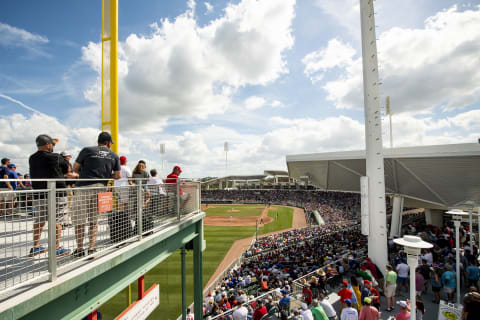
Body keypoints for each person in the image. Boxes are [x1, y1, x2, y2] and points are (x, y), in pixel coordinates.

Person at [72, 132, 121, 257]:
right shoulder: (114, 155)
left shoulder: (87, 150)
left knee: (80, 220)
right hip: (101, 188)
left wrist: (86, 173)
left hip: (83, 187)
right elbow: (117, 176)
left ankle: (79, 249)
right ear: (109, 143)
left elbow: (75, 168)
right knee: (94, 220)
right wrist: (104, 175)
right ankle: (92, 248)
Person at [28, 134, 72, 256]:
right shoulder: (56, 157)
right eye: (52, 144)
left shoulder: (32, 158)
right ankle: (56, 249)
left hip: (39, 193)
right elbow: (67, 170)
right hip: (57, 193)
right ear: (48, 145)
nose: (53, 146)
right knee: (57, 220)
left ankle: (36, 246)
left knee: (39, 220)